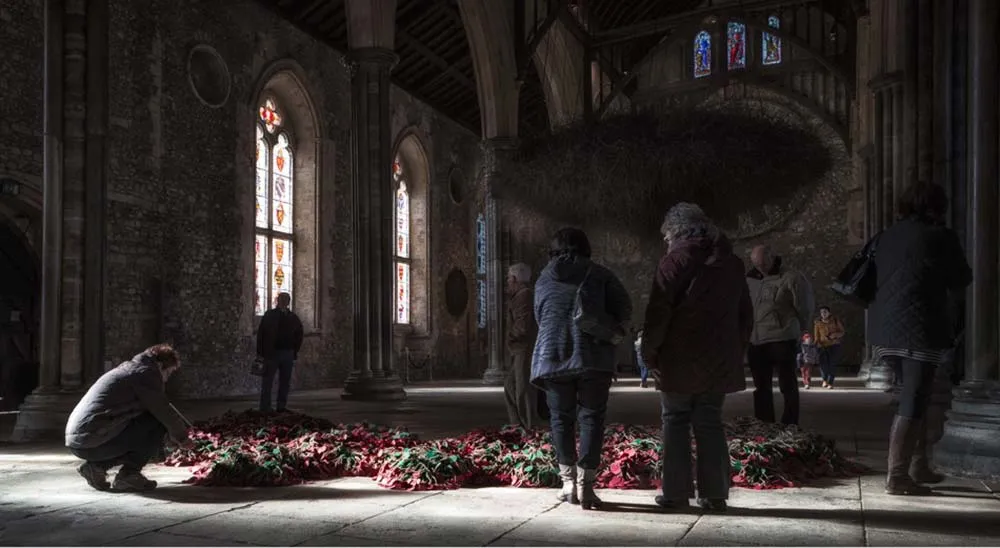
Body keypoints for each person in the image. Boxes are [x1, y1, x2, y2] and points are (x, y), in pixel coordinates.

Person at [640, 203, 753, 513]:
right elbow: (745, 315)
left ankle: (676, 494)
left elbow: (658, 314)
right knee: (709, 422)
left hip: (679, 358)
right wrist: (736, 350)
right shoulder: (732, 264)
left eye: (667, 236)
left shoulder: (673, 262)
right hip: (718, 359)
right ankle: (715, 494)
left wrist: (649, 354)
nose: (666, 241)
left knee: (675, 421)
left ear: (677, 231)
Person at [867, 181, 970, 496]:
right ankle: (897, 475)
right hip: (920, 328)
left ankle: (918, 465)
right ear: (936, 207)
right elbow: (962, 278)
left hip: (886, 330)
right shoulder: (940, 236)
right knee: (914, 398)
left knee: (913, 395)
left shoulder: (886, 236)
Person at [530, 227, 632, 511]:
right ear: (586, 249)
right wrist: (612, 329)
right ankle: (586, 487)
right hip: (593, 357)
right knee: (591, 418)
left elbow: (540, 315)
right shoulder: (600, 275)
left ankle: (567, 484)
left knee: (560, 419)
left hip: (552, 355)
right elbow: (625, 307)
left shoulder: (542, 278)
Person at [65, 344, 189, 492]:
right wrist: (182, 438)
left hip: (81, 442)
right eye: (169, 372)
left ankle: (96, 467)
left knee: (143, 429)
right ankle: (129, 475)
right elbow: (163, 410)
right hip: (92, 440)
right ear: (161, 365)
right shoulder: (145, 373)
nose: (167, 379)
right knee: (156, 424)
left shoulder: (129, 370)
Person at [745, 244, 814, 425]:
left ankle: (790, 423)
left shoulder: (792, 278)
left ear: (772, 257)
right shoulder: (749, 280)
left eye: (763, 263)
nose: (761, 268)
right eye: (756, 264)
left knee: (788, 385)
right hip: (756, 340)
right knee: (761, 387)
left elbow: (804, 307)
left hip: (782, 338)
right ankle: (764, 424)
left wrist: (801, 328)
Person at [504, 263, 540, 429]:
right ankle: (517, 423)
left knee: (523, 388)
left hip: (523, 347)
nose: (507, 283)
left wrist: (511, 336)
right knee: (511, 385)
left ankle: (529, 426)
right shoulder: (520, 295)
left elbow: (523, 325)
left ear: (515, 279)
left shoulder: (524, 295)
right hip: (520, 347)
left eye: (509, 279)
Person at [256, 292, 304, 412]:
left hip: (287, 352)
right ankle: (265, 407)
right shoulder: (269, 315)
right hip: (272, 353)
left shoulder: (293, 317)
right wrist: (261, 352)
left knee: (285, 381)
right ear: (277, 301)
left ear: (288, 302)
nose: (284, 302)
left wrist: (294, 350)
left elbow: (299, 334)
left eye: (286, 300)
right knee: (267, 381)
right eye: (282, 299)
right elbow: (261, 334)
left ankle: (281, 406)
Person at [814, 305, 845, 388]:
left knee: (832, 364)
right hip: (822, 346)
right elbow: (816, 336)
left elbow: (842, 332)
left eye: (825, 312)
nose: (823, 314)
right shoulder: (817, 323)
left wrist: (834, 335)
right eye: (821, 312)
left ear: (829, 313)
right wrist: (816, 344)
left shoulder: (835, 320)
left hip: (834, 345)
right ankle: (824, 380)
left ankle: (830, 382)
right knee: (823, 364)